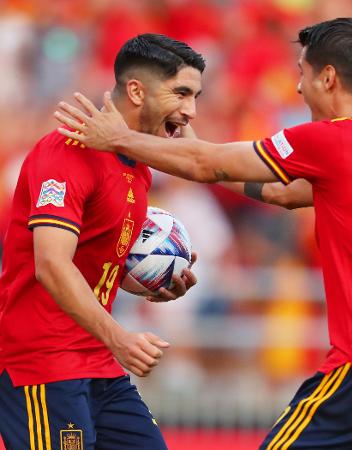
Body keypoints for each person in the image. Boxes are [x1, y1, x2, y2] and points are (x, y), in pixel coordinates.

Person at [55, 17, 352, 450]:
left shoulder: (336, 140)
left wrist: (120, 138)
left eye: (303, 72)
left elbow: (205, 163)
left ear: (328, 77)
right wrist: (194, 145)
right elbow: (283, 193)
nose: (298, 88)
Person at [0, 33, 203, 450]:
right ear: (136, 91)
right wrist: (119, 337)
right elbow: (52, 264)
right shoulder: (67, 151)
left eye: (196, 95)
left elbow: (96, 258)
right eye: (181, 93)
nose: (191, 111)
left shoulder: (138, 164)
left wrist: (150, 281)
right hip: (43, 365)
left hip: (98, 365)